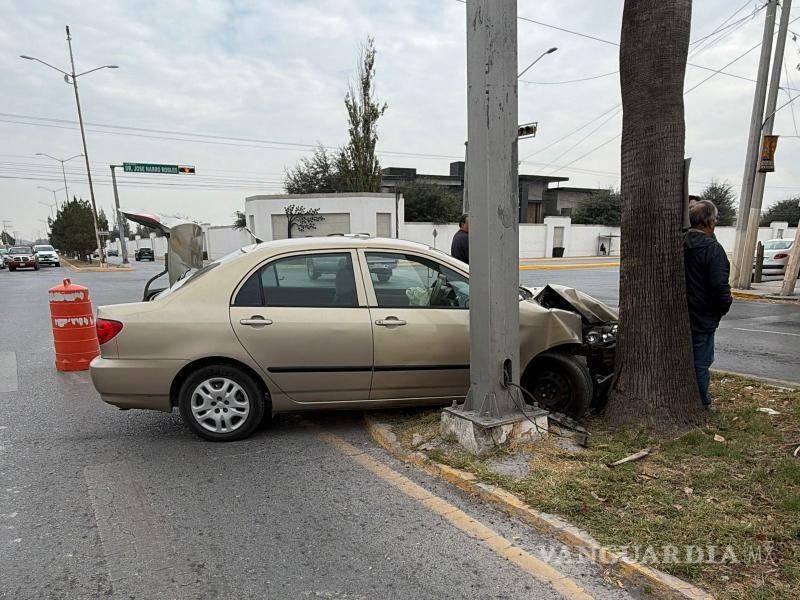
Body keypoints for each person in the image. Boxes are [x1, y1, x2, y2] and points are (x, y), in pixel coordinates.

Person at [684, 200, 732, 410]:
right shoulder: (712, 249)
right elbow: (719, 288)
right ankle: (702, 403)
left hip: (681, 315)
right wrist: (723, 307)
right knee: (701, 363)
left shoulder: (680, 243)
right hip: (702, 318)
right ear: (710, 223)